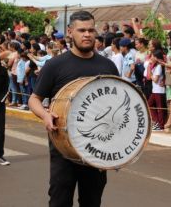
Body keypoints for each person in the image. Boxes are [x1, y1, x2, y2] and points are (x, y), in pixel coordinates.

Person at [29, 11, 118, 207]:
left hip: (96, 152)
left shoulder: (108, 66)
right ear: (70, 32)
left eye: (90, 30)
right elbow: (34, 99)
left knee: (92, 202)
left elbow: (117, 104)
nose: (87, 34)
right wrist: (44, 114)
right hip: (63, 151)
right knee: (60, 202)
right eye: (81, 30)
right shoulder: (55, 66)